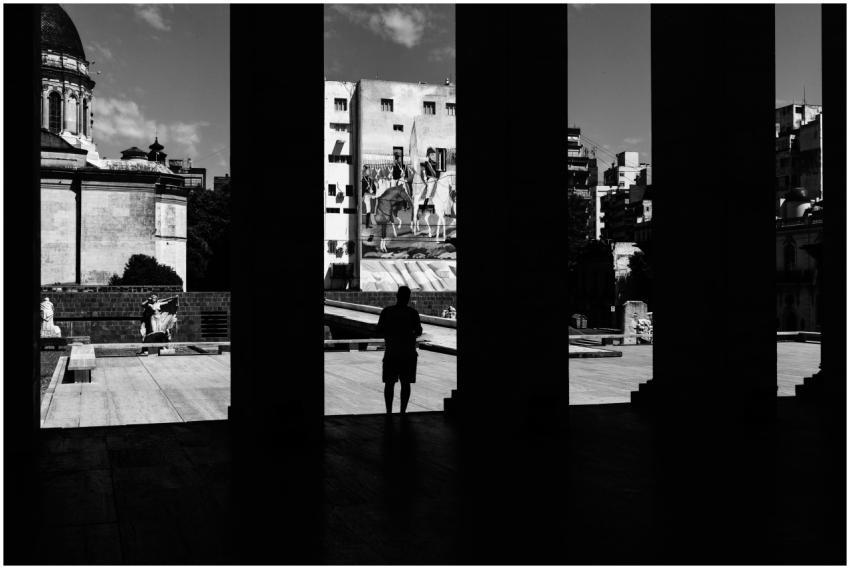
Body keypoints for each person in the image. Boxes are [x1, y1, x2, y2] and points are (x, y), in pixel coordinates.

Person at [376, 286, 423, 415]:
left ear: (397, 296)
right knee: (406, 384)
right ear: (408, 298)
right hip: (408, 353)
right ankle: (402, 411)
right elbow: (419, 331)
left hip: (391, 352)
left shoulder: (387, 311)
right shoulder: (413, 313)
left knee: (389, 383)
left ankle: (389, 411)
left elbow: (379, 330)